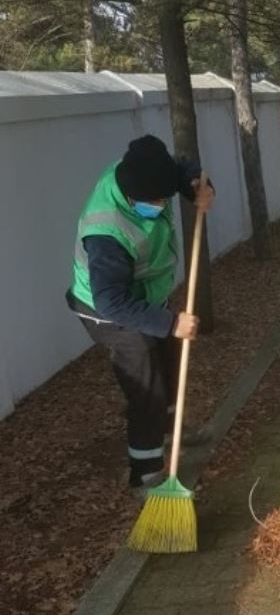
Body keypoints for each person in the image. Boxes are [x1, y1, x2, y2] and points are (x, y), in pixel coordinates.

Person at [66, 135, 215, 494]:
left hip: (145, 295)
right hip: (107, 311)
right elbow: (110, 301)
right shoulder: (106, 232)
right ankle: (146, 472)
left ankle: (169, 429)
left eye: (164, 197)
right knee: (145, 380)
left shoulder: (143, 170)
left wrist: (198, 184)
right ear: (132, 196)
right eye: (155, 201)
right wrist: (169, 322)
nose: (161, 205)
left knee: (170, 357)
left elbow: (179, 170)